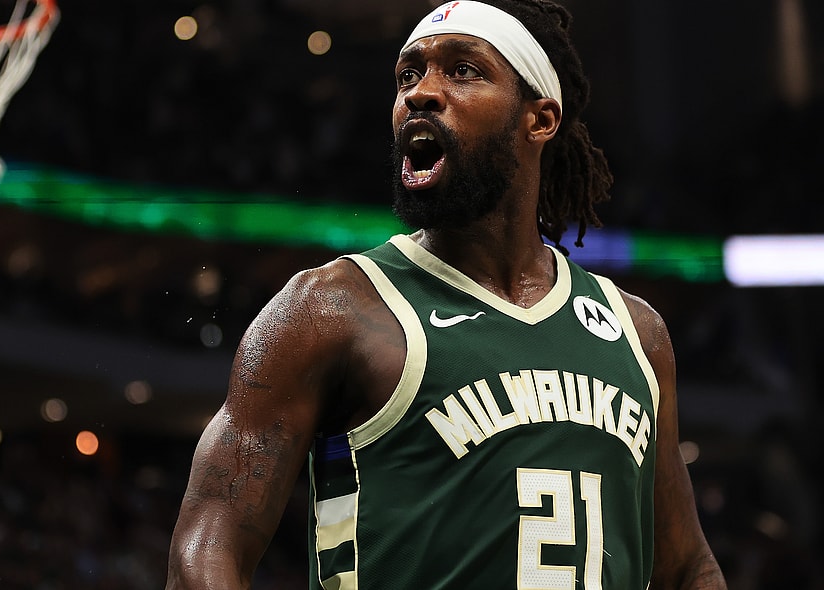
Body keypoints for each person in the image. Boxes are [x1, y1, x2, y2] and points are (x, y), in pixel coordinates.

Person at [166, 1, 728, 588]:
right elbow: (203, 551)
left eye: (463, 70)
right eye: (408, 75)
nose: (421, 93)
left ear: (539, 119)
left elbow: (689, 566)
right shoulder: (331, 309)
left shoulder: (638, 334)